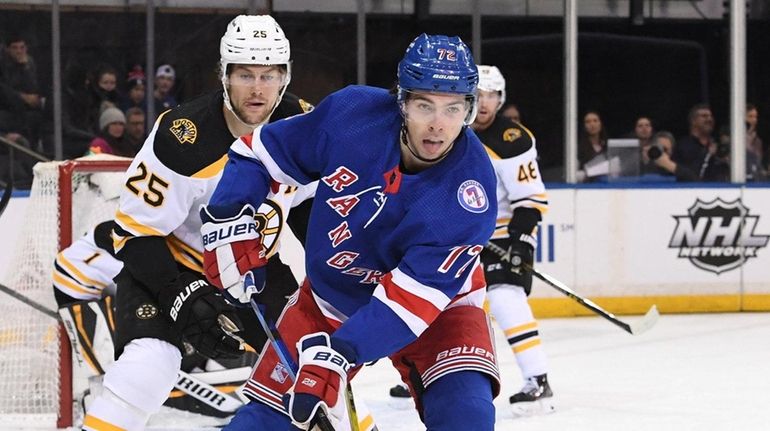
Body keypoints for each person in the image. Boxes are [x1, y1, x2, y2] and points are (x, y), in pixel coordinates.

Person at [201, 33, 499, 431]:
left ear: (469, 110)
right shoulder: (352, 115)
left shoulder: (470, 192)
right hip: (330, 301)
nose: (437, 125)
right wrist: (228, 217)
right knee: (258, 426)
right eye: (424, 105)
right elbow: (258, 154)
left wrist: (339, 354)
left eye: (453, 109)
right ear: (402, 102)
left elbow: (409, 306)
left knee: (467, 415)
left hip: (439, 312)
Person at [79, 15, 316, 431]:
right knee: (149, 365)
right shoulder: (181, 135)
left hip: (250, 266)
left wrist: (338, 268)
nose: (258, 89)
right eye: (244, 74)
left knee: (313, 369)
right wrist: (180, 293)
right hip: (170, 264)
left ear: (285, 76)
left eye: (268, 75)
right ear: (224, 75)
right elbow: (134, 233)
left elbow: (309, 209)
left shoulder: (301, 124)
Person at [471, 65, 553, 415]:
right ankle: (427, 371)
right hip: (461, 233)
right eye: (478, 95)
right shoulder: (450, 132)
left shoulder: (513, 139)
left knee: (505, 297)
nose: (484, 102)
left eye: (491, 95)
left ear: (501, 99)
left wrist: (518, 241)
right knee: (439, 302)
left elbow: (531, 199)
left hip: (505, 231)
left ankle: (538, 378)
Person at [673, 103, 728, 182]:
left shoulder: (717, 145)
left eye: (710, 116)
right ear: (693, 121)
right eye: (704, 116)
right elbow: (689, 173)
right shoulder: (683, 146)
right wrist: (707, 155)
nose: (709, 119)